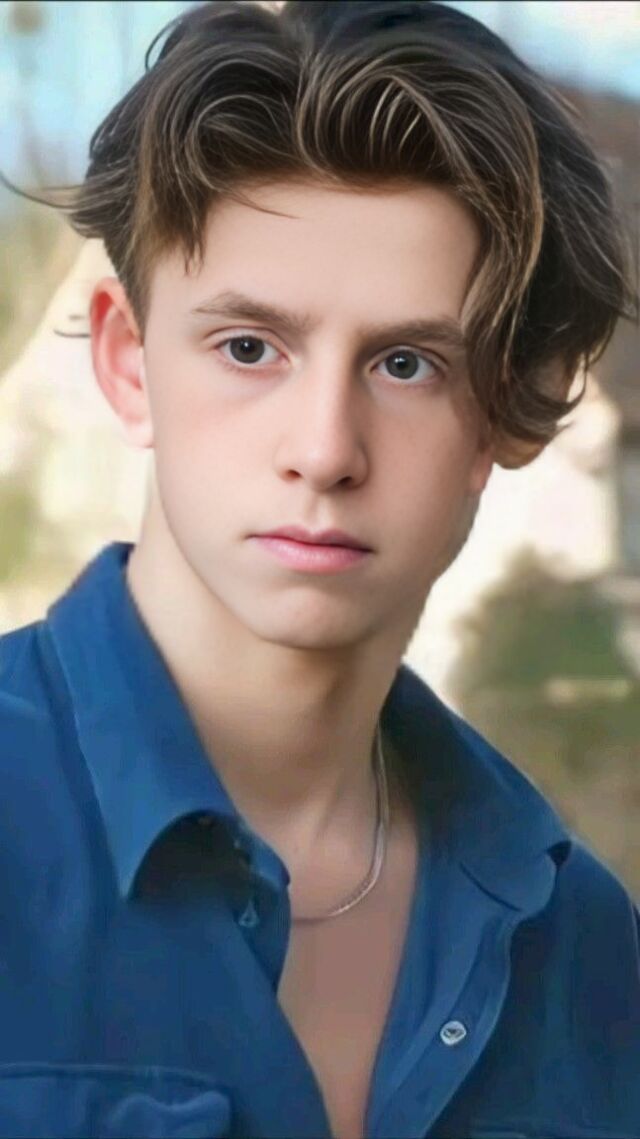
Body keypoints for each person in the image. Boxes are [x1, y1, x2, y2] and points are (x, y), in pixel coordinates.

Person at [0, 2, 638, 1136]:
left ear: (502, 416)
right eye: (249, 347)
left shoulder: (580, 940)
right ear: (129, 365)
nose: (326, 449)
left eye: (406, 364)